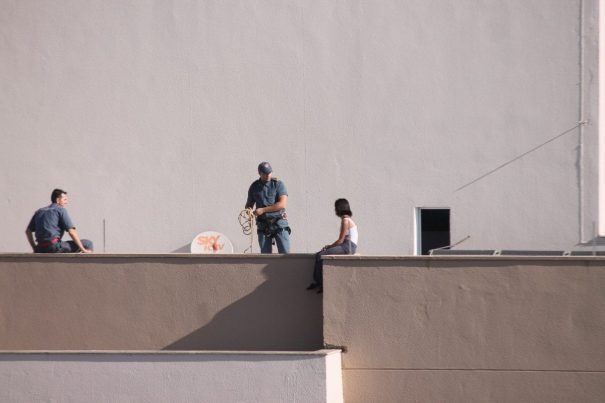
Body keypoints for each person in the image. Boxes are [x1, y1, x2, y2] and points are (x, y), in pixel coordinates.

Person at [307, 198, 358, 293]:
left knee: (319, 255)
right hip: (348, 246)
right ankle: (319, 282)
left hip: (348, 247)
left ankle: (319, 282)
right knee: (319, 254)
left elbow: (340, 240)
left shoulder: (345, 220)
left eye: (335, 208)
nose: (335, 210)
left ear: (339, 208)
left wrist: (329, 246)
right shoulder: (347, 219)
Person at [25, 189, 93, 253]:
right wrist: (83, 249)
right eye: (65, 200)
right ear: (58, 200)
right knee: (87, 243)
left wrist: (34, 248)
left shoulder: (39, 211)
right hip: (54, 247)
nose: (66, 202)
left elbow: (28, 231)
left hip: (40, 248)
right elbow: (72, 232)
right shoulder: (60, 210)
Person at [245, 162, 291, 253]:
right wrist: (249, 211)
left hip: (279, 223)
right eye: (265, 173)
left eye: (269, 172)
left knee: (285, 254)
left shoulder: (278, 184)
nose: (268, 175)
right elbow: (248, 205)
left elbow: (282, 204)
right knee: (265, 255)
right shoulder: (254, 187)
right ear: (259, 173)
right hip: (263, 224)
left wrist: (263, 210)